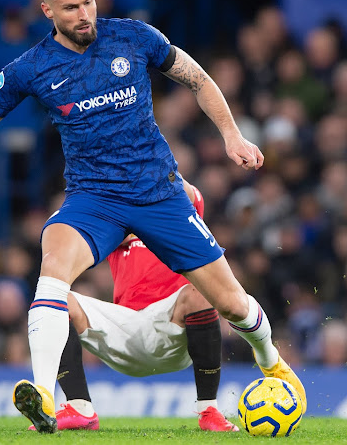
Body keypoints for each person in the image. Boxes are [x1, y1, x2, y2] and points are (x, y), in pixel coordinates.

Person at [0, 0, 306, 433]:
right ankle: (43, 395)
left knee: (233, 303)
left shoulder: (133, 37)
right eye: (71, 7)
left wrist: (232, 136)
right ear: (48, 10)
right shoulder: (32, 67)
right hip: (93, 198)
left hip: (158, 192)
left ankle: (273, 362)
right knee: (52, 259)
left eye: (89, 2)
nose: (84, 15)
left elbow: (196, 77)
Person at [36, 180, 238, 432]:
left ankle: (209, 410)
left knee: (200, 294)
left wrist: (157, 168)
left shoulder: (182, 208)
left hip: (170, 327)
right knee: (58, 301)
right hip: (122, 328)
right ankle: (79, 407)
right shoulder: (112, 218)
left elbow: (184, 191)